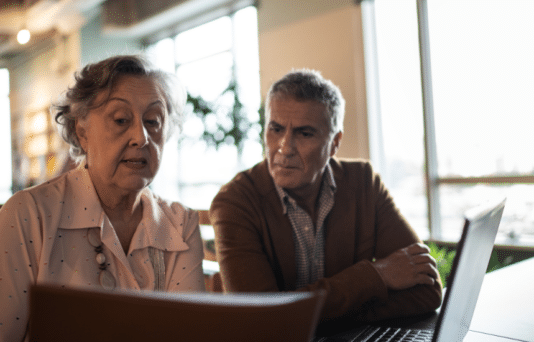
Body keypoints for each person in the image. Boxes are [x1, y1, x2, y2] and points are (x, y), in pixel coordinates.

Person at [210, 69, 442, 327]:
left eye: (304, 133)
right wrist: (376, 275)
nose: (284, 148)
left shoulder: (364, 182)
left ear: (334, 143)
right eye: (275, 129)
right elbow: (261, 320)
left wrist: (313, 316)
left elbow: (428, 290)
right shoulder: (235, 202)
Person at [0, 55, 205, 341]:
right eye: (121, 119)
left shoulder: (180, 223)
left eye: (153, 121)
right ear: (82, 131)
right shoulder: (28, 215)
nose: (141, 137)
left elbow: (188, 333)